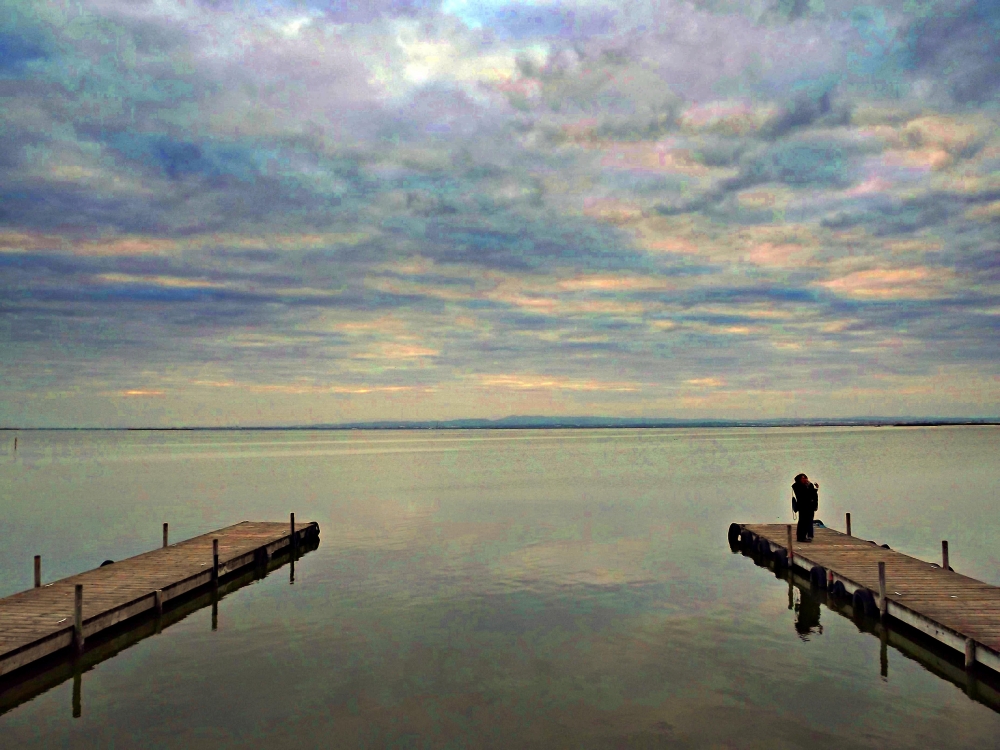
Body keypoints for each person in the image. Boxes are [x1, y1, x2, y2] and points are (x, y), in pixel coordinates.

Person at [792, 473, 819, 542]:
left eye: (805, 478)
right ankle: (800, 537)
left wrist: (815, 488)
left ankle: (806, 536)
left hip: (810, 507)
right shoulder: (797, 486)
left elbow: (813, 495)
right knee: (802, 522)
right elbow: (803, 495)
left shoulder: (809, 485)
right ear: (799, 479)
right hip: (803, 507)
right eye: (803, 478)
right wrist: (811, 488)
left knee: (809, 521)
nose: (805, 479)